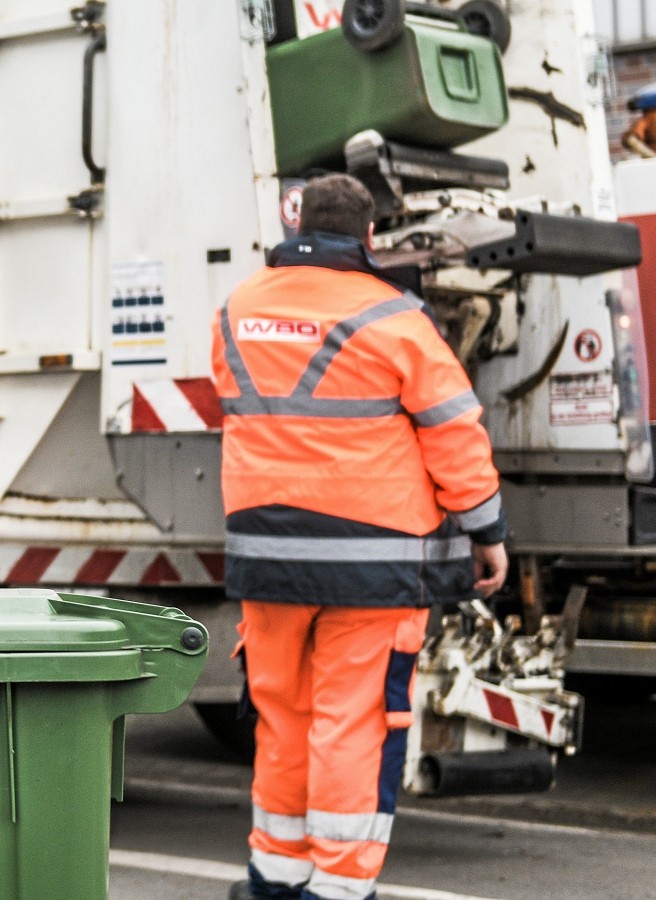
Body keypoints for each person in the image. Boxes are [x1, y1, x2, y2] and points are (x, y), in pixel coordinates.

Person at [213, 173, 508, 900]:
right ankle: (339, 890)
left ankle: (273, 878)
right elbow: (454, 433)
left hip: (267, 559)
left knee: (282, 719)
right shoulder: (396, 317)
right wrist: (486, 531)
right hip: (371, 567)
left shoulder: (238, 308)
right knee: (351, 723)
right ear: (369, 236)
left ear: (298, 223)